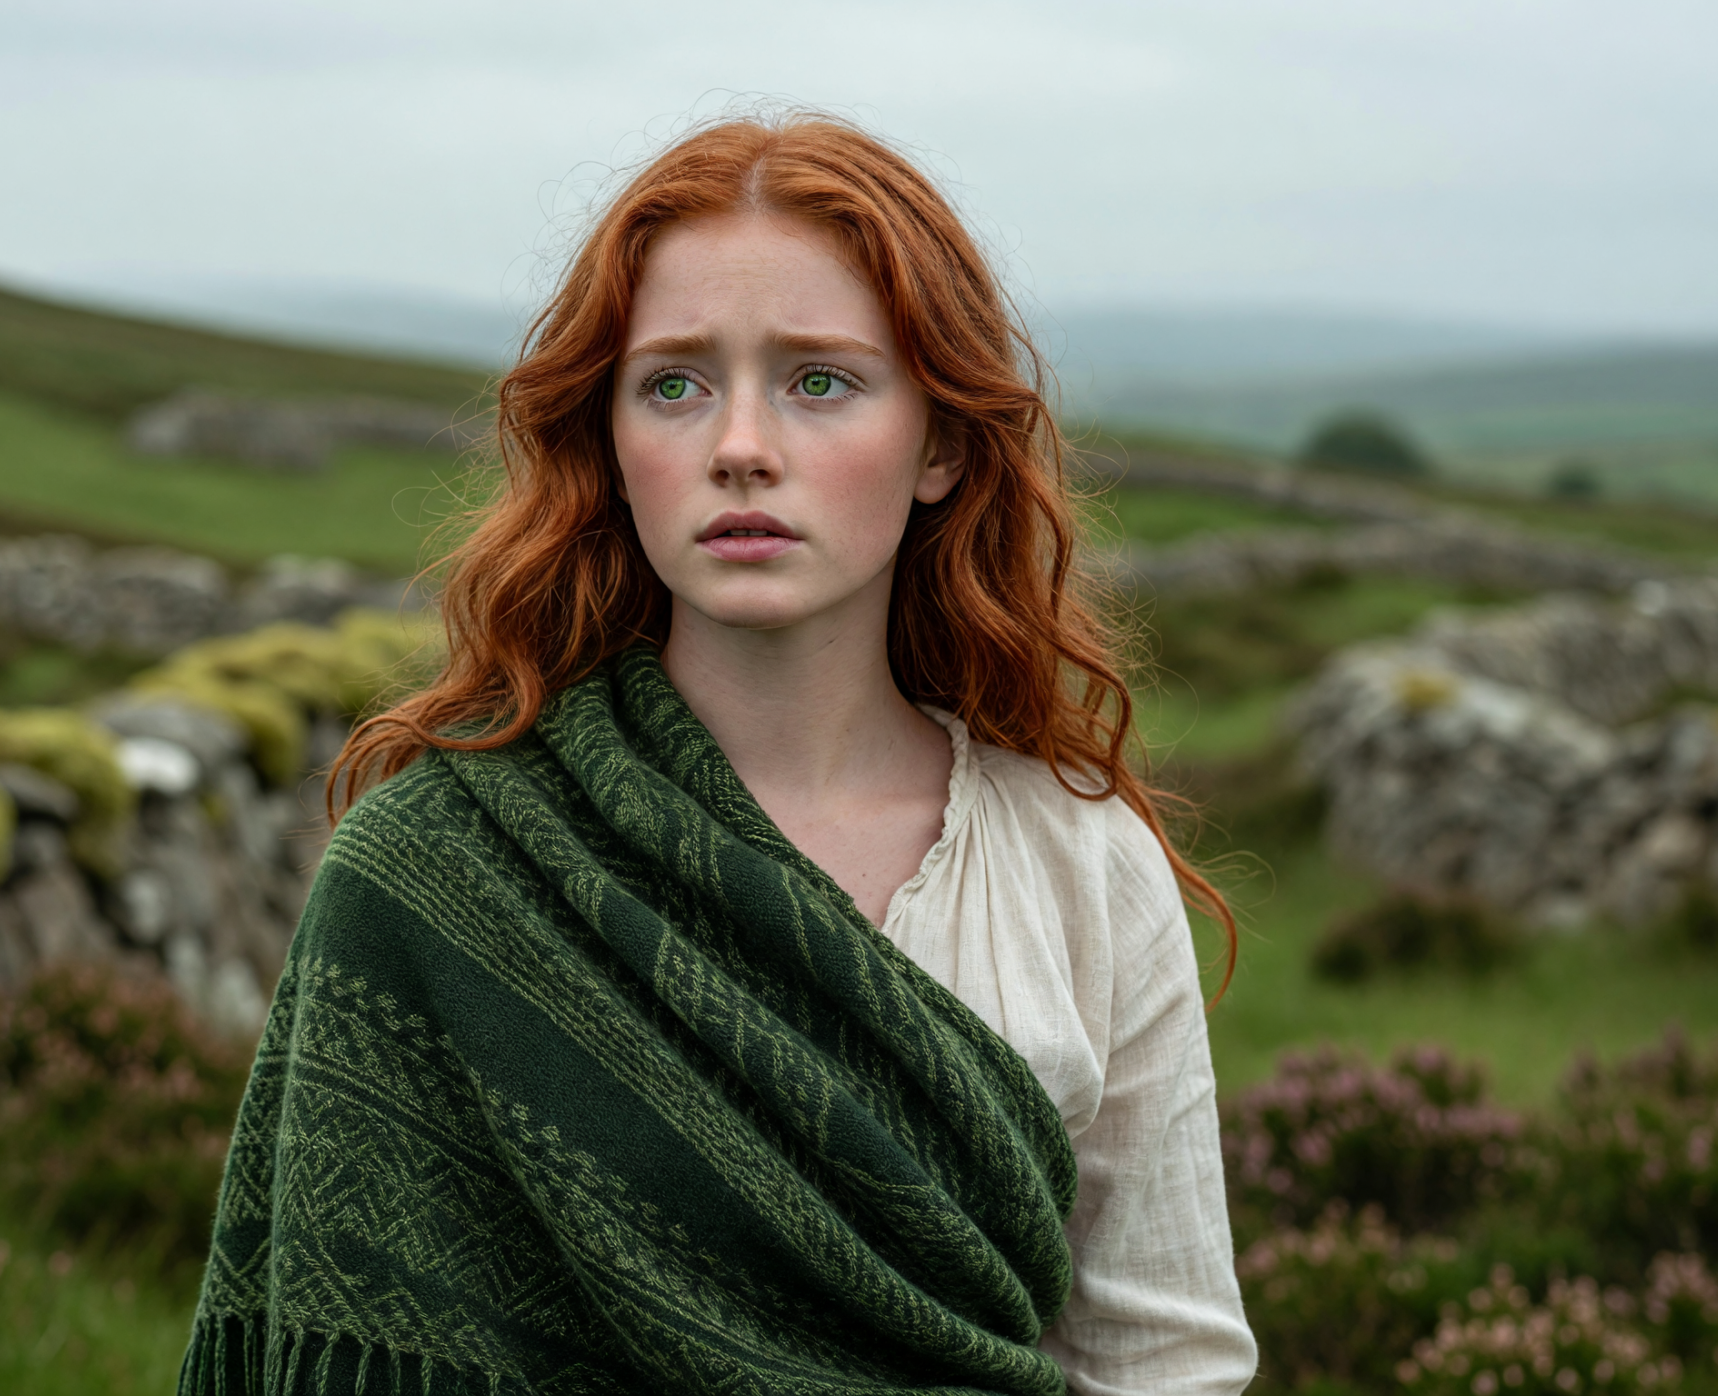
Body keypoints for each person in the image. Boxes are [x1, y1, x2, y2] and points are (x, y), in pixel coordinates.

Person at [181, 113, 1257, 1396]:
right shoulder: (432, 869)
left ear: (943, 444)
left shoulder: (1081, 867)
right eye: (675, 384)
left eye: (820, 380)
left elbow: (1162, 1361)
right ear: (612, 443)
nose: (740, 444)